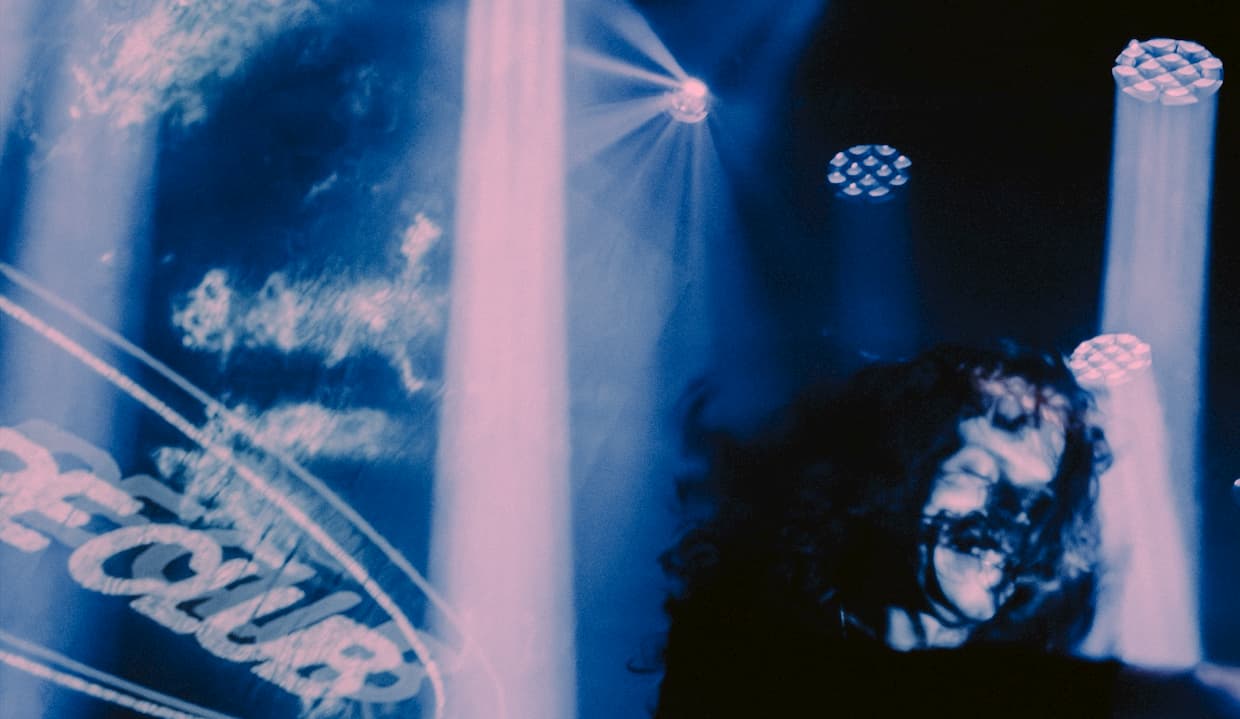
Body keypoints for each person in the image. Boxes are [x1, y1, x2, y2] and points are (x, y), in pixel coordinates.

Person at [655, 344, 1240, 718]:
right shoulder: (744, 649)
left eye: (1036, 501)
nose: (1011, 516)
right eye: (977, 473)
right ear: (880, 476)